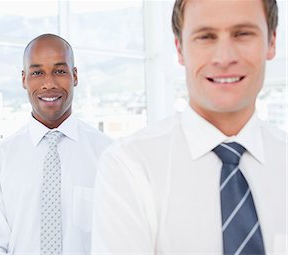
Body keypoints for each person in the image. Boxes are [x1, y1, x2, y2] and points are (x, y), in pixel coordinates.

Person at [91, 0, 286, 254]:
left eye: (242, 34)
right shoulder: (130, 167)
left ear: (271, 42)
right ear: (179, 49)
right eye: (206, 37)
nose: (224, 58)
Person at [0, 34, 112, 254]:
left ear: (74, 76)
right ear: (24, 79)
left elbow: (119, 240)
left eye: (59, 71)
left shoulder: (108, 155)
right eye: (37, 73)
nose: (48, 83)